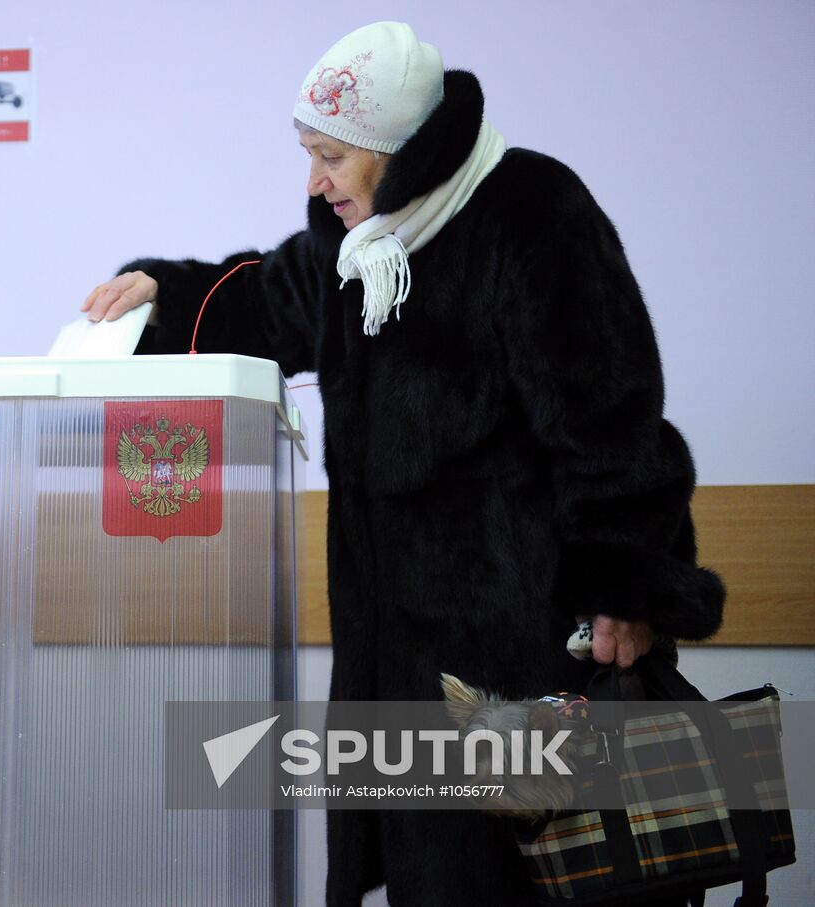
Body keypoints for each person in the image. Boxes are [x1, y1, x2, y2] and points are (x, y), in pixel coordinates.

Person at [80, 21, 726, 907]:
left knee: (550, 880)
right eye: (306, 153)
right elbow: (266, 303)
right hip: (407, 665)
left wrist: (625, 584)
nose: (313, 181)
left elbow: (612, 418)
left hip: (530, 649)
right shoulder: (362, 252)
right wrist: (164, 294)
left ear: (400, 149)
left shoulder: (531, 212)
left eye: (332, 156)